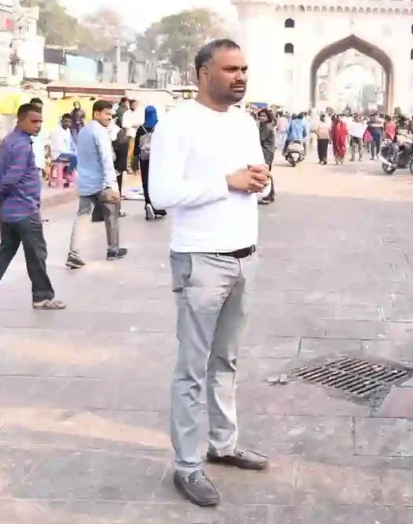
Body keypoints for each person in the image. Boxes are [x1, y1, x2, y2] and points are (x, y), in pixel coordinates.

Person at [148, 39, 271, 508]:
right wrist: (227, 182)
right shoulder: (178, 123)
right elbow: (161, 193)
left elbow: (251, 180)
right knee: (192, 369)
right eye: (230, 69)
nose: (241, 77)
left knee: (227, 360)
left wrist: (258, 182)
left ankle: (223, 443)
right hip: (201, 260)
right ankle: (187, 464)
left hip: (244, 255)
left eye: (244, 68)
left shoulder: (244, 122)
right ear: (203, 73)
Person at [0, 103, 64, 312]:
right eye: (34, 121)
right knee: (36, 252)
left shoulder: (10, 141)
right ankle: (42, 297)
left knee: (5, 250)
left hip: (7, 210)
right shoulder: (22, 146)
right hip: (23, 208)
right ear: (21, 120)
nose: (38, 126)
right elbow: (13, 176)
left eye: (40, 122)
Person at [66, 100, 126, 268]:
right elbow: (106, 159)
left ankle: (74, 253)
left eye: (111, 114)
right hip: (101, 183)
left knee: (82, 217)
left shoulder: (84, 131)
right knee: (112, 212)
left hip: (85, 182)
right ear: (96, 114)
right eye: (106, 114)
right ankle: (113, 249)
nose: (110, 117)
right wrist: (113, 186)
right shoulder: (100, 131)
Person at [134, 105, 165, 220]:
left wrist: (135, 161)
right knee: (157, 181)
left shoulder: (141, 128)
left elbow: (137, 147)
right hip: (157, 159)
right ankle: (157, 207)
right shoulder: (160, 127)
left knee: (146, 181)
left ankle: (148, 204)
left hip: (144, 158)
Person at [257, 108, 276, 204]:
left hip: (266, 152)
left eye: (264, 116)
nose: (261, 117)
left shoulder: (266, 127)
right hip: (268, 152)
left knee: (265, 174)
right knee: (267, 173)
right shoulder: (265, 125)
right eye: (260, 115)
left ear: (268, 117)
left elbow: (259, 139)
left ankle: (267, 195)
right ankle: (271, 194)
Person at [122, 99, 145, 172]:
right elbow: (124, 124)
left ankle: (134, 167)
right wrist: (133, 125)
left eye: (136, 104)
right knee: (130, 151)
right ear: (131, 104)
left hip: (137, 134)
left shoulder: (138, 113)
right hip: (130, 134)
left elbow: (141, 122)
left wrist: (134, 124)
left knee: (136, 152)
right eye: (134, 104)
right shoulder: (126, 113)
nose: (135, 106)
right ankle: (128, 166)